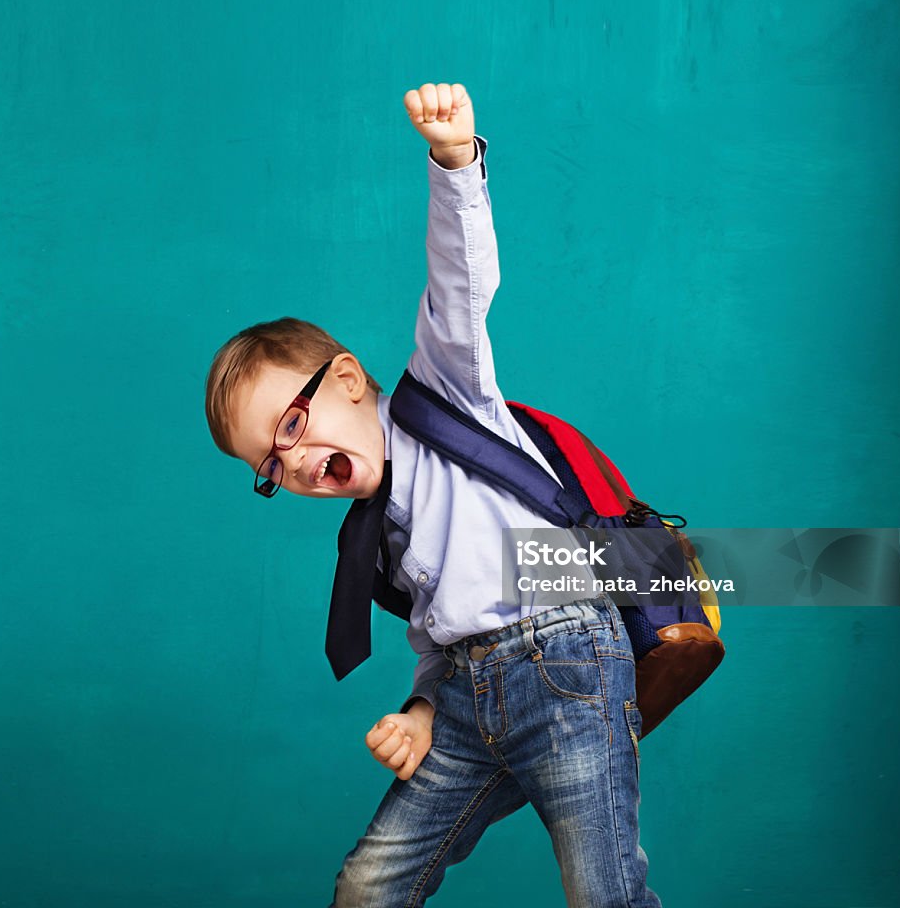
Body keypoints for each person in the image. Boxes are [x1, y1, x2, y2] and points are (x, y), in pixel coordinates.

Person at [204, 82, 662, 907]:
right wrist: (421, 711)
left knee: (605, 892)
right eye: (270, 467)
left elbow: (460, 284)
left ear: (347, 379)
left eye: (294, 423)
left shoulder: (444, 394)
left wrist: (454, 162)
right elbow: (434, 635)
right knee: (369, 887)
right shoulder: (371, 536)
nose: (296, 461)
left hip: (562, 660)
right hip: (461, 697)